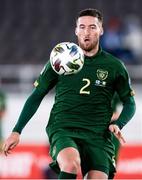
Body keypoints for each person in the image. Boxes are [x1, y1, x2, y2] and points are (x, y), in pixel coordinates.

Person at [2, 8, 136, 179]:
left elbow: (130, 103)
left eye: (92, 27)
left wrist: (120, 123)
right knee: (71, 164)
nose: (86, 32)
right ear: (76, 30)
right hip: (64, 128)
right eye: (82, 27)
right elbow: (37, 95)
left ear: (101, 30)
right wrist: (17, 130)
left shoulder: (115, 66)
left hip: (98, 134)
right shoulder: (60, 59)